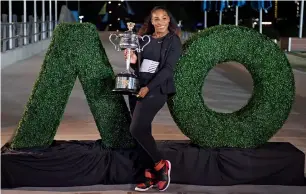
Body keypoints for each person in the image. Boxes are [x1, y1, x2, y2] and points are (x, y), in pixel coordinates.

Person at [123, 6, 182, 192]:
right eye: (156, 19)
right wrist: (132, 60)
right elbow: (138, 67)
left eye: (164, 18)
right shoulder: (144, 39)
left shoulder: (174, 41)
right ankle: (149, 175)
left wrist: (148, 88)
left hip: (156, 90)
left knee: (136, 128)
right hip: (138, 89)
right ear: (151, 21)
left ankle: (161, 165)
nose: (160, 22)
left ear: (168, 21)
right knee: (142, 131)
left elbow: (168, 70)